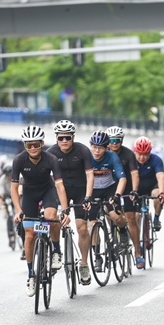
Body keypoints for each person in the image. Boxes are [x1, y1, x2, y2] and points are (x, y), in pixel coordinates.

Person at [11, 125, 71, 297]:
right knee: (29, 234)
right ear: (25, 146)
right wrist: (18, 210)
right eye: (28, 145)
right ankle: (31, 275)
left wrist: (65, 210)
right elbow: (14, 189)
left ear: (42, 143)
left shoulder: (51, 159)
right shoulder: (19, 160)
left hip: (47, 190)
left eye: (35, 144)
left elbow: (59, 186)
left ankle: (56, 251)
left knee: (50, 218)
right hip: (29, 193)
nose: (32, 148)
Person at [46, 120, 95, 286]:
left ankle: (84, 263)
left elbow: (90, 176)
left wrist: (88, 196)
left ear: (73, 137)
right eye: (61, 138)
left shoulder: (82, 150)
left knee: (82, 227)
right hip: (61, 191)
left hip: (80, 191)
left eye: (67, 137)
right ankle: (57, 252)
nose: (64, 141)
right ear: (56, 138)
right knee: (55, 221)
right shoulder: (51, 153)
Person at [87, 130, 129, 272]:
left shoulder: (112, 157)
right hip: (92, 190)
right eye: (94, 147)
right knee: (92, 225)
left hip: (109, 189)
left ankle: (123, 231)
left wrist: (117, 195)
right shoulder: (86, 157)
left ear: (107, 148)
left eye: (100, 148)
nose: (97, 151)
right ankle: (97, 256)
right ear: (90, 146)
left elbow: (122, 178)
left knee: (115, 216)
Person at [105, 126, 143, 268]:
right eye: (112, 140)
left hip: (126, 188)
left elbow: (134, 174)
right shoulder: (104, 152)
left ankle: (137, 253)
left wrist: (134, 190)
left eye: (117, 140)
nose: (114, 143)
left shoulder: (128, 154)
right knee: (110, 215)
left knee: (131, 218)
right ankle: (114, 237)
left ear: (122, 140)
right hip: (110, 188)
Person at [133, 136, 164, 269]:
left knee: (157, 195)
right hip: (137, 189)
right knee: (135, 216)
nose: (142, 158)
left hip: (152, 186)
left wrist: (162, 192)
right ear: (135, 152)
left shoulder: (156, 160)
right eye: (139, 154)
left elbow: (160, 176)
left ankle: (156, 217)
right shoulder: (131, 160)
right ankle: (138, 241)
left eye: (145, 155)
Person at [0, 165, 20, 250]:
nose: (9, 177)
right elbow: (0, 195)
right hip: (7, 197)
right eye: (8, 175)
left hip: (18, 195)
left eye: (11, 175)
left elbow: (22, 189)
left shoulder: (19, 177)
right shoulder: (2, 181)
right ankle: (10, 235)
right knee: (9, 216)